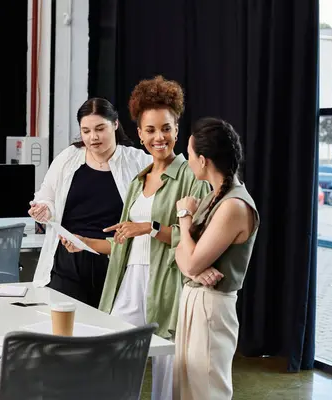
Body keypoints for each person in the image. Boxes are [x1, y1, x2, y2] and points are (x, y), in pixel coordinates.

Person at [69, 76, 210, 400]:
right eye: (151, 130)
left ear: (177, 129)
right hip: (128, 282)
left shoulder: (191, 175)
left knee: (165, 375)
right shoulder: (137, 181)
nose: (159, 137)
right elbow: (122, 242)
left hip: (168, 285)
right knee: (112, 364)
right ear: (139, 133)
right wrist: (84, 242)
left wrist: (150, 227)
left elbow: (201, 240)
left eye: (166, 128)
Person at [29, 97, 152, 308]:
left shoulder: (138, 161)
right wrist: (43, 209)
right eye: (86, 131)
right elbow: (45, 196)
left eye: (100, 129)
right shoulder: (69, 158)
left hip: (113, 258)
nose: (93, 137)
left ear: (115, 124)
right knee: (66, 331)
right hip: (69, 259)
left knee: (108, 332)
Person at [173, 118, 259, 399]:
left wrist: (184, 218)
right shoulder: (213, 197)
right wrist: (194, 270)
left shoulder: (233, 205)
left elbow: (191, 259)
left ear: (204, 160)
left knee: (208, 389)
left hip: (211, 305)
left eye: (189, 153)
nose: (187, 160)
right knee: (188, 387)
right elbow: (180, 253)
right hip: (195, 298)